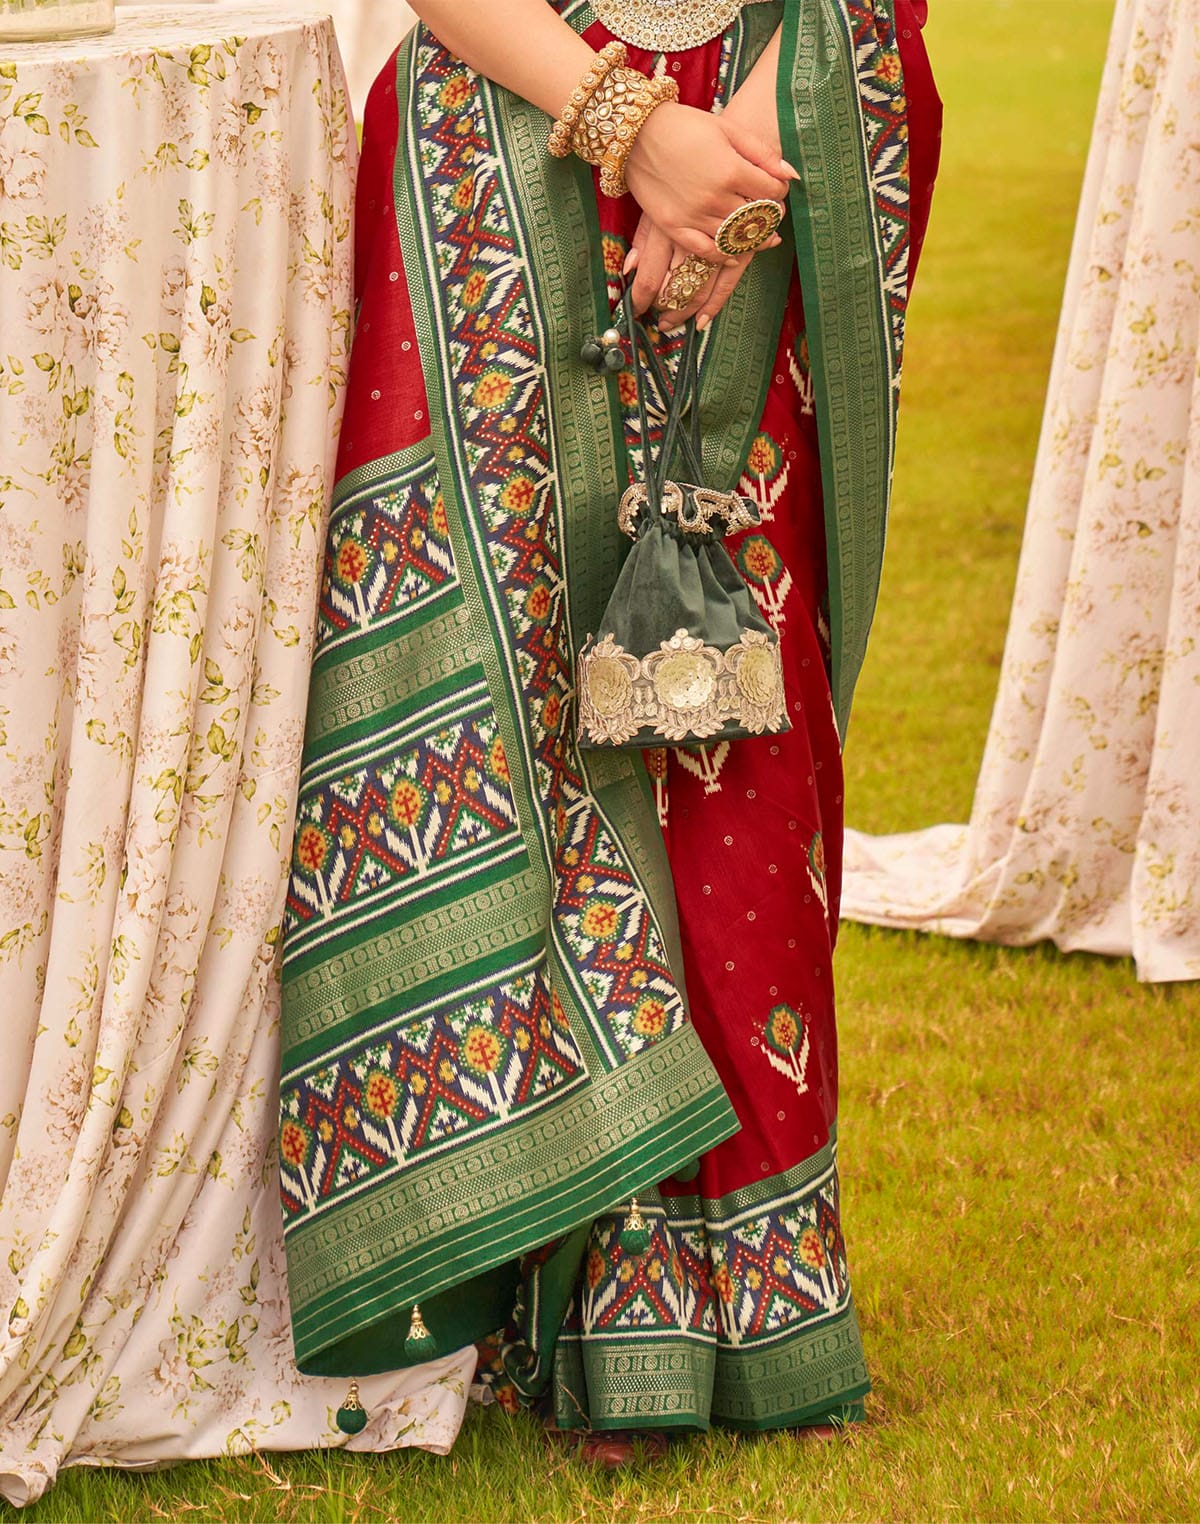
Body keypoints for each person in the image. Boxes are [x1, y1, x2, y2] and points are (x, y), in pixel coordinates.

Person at [277, 0, 940, 1467]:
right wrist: (633, 130)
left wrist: (733, 175)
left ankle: (726, 1309)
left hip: (789, 105)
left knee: (724, 699)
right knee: (517, 710)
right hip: (512, 126)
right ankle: (522, 1265)